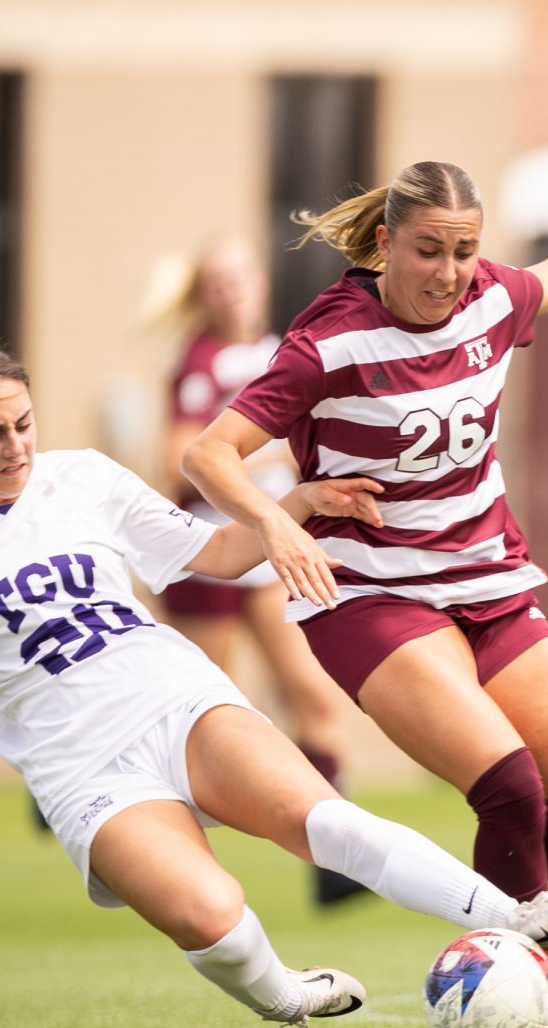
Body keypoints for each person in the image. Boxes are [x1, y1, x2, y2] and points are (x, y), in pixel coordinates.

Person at [0, 340, 548, 1028]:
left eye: (24, 423)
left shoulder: (82, 478)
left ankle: (522, 919)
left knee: (324, 823)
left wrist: (295, 506)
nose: (16, 447)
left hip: (175, 697)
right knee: (211, 914)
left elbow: (219, 554)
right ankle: (286, 996)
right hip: (82, 768)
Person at [182, 161, 548, 1028]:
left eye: (465, 252)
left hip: (491, 585)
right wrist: (279, 529)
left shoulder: (491, 301)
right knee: (509, 787)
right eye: (429, 250)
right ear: (387, 243)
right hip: (371, 595)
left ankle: (497, 921)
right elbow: (210, 454)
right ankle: (537, 985)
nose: (448, 272)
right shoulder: (331, 340)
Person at [159, 236, 365, 905]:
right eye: (216, 280)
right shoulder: (197, 362)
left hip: (272, 545)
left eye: (239, 276)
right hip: (214, 549)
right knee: (197, 709)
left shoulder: (285, 350)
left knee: (312, 695)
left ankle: (337, 862)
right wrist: (274, 465)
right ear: (203, 291)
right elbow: (180, 459)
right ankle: (114, 810)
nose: (231, 290)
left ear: (258, 279)